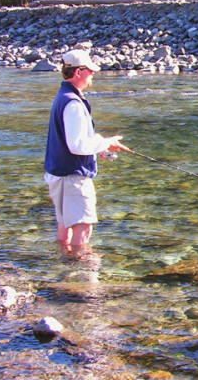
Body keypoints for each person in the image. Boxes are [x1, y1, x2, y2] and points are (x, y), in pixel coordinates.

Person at [44, 49, 131, 253]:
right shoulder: (73, 103)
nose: (93, 74)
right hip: (72, 178)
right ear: (78, 72)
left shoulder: (62, 97)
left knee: (65, 227)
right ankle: (81, 277)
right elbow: (77, 146)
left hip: (60, 176)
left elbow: (73, 142)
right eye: (90, 70)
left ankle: (64, 270)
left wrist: (101, 146)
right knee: (83, 228)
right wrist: (105, 142)